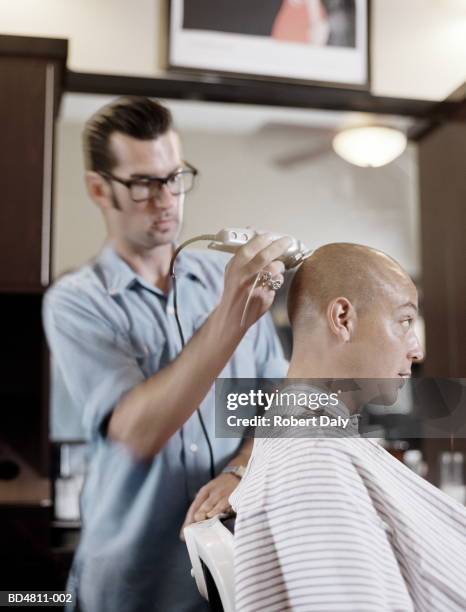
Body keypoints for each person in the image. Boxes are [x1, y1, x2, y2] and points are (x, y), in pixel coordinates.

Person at [43, 96, 290, 612]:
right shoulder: (76, 302)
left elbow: (284, 407)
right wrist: (232, 316)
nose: (166, 200)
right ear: (98, 189)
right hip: (132, 583)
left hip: (231, 573)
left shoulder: (225, 283)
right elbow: (138, 432)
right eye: (143, 184)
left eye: (174, 177)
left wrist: (241, 469)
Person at [230, 243, 466, 612]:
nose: (417, 350)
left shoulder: (313, 437)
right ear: (342, 318)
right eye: (405, 322)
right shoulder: (313, 458)